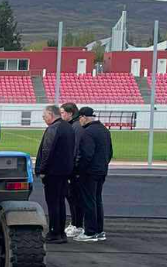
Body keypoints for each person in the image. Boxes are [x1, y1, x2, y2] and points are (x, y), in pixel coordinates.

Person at [34, 104, 76, 243]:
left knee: (53, 203)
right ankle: (60, 232)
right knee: (60, 202)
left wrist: (42, 169)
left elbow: (47, 150)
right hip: (65, 171)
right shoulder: (68, 127)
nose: (44, 119)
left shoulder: (53, 128)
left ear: (51, 115)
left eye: (44, 116)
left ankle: (54, 233)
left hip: (53, 172)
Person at [74, 107, 113, 242]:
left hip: (89, 172)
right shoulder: (104, 130)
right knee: (97, 200)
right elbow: (110, 153)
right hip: (101, 170)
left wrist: (79, 171)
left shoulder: (88, 132)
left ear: (84, 117)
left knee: (89, 201)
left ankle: (90, 232)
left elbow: (86, 155)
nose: (79, 121)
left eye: (80, 118)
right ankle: (99, 230)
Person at [60, 102, 85, 237]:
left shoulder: (75, 128)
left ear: (70, 113)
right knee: (72, 198)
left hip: (75, 171)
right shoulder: (74, 126)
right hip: (74, 169)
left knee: (74, 198)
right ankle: (76, 223)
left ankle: (77, 225)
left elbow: (75, 151)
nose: (61, 115)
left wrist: (72, 169)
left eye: (63, 112)